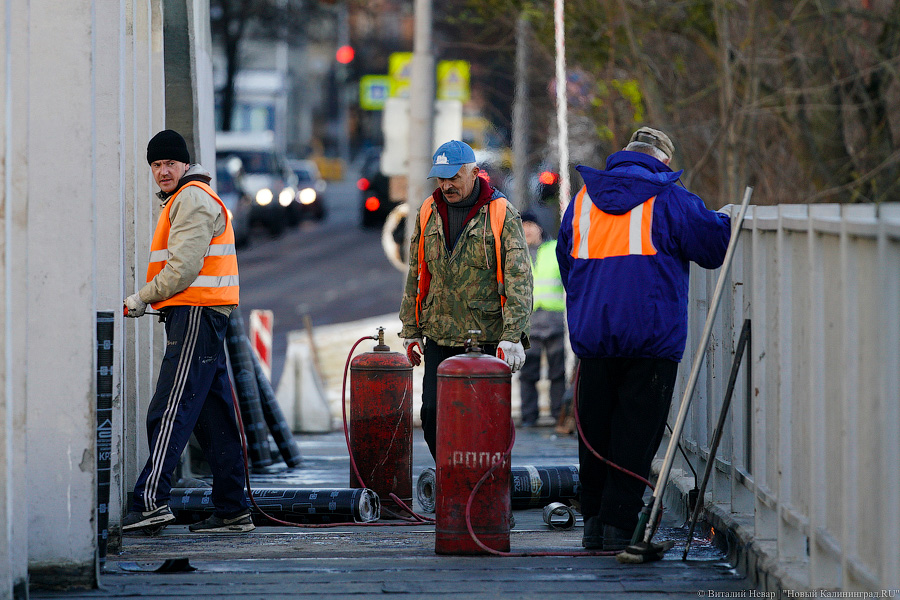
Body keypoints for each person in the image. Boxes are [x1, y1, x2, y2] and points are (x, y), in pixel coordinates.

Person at [556, 127, 731, 551]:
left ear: (623, 156)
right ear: (663, 161)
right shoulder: (669, 197)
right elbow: (712, 246)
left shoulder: (582, 200)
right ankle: (619, 525)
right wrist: (725, 219)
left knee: (595, 432)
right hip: (650, 338)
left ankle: (595, 524)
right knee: (637, 433)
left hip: (594, 336)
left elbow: (567, 263)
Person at [122, 130, 254, 534]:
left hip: (195, 313)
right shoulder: (186, 197)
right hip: (202, 314)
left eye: (169, 164)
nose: (163, 171)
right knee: (213, 417)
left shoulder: (191, 199)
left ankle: (149, 502)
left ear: (184, 165)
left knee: (168, 411)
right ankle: (233, 509)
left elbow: (183, 268)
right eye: (156, 165)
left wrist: (140, 298)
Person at [399, 140, 533, 460]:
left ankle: (479, 485)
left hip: (484, 339)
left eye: (454, 177)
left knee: (482, 420)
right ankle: (451, 477)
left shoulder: (501, 212)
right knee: (432, 414)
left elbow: (519, 278)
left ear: (474, 173)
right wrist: (411, 329)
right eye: (441, 179)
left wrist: (512, 336)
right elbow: (416, 273)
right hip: (439, 336)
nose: (446, 185)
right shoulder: (427, 212)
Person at [517, 212, 566, 427]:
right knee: (528, 374)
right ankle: (529, 417)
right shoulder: (515, 253)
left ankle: (559, 414)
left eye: (531, 225)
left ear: (539, 228)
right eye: (523, 225)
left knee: (558, 374)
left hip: (555, 321)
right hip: (528, 324)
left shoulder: (555, 249)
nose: (527, 230)